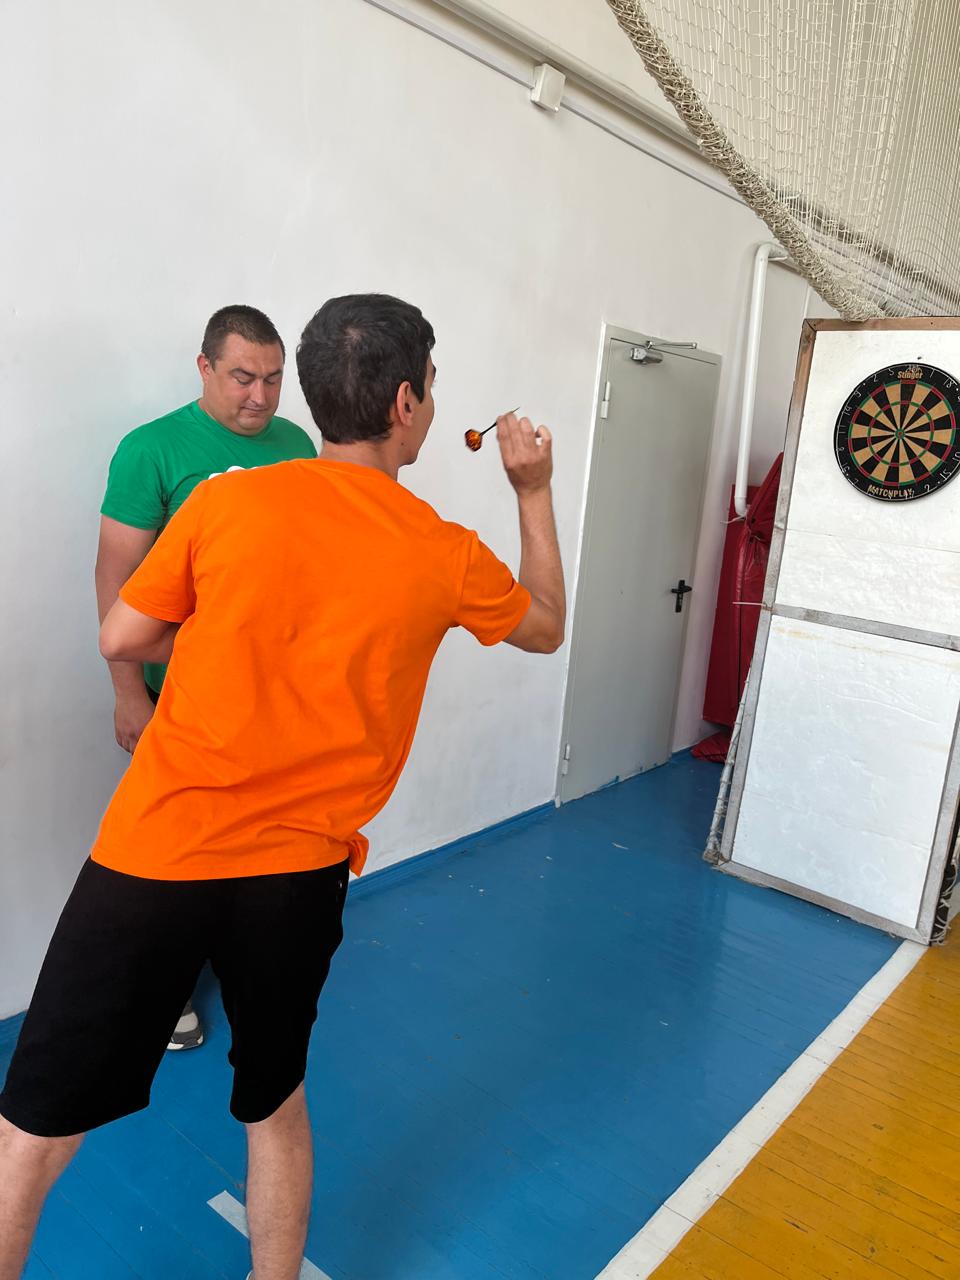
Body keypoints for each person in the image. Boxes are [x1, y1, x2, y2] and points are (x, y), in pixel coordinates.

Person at [0, 293, 565, 1280]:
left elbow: (121, 634)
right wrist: (533, 488)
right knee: (273, 1103)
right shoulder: (443, 553)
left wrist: (228, 627)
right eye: (431, 389)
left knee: (32, 1133)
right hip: (297, 876)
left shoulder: (225, 503)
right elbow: (546, 624)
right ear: (404, 402)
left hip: (157, 848)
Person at [95, 304, 316, 1050]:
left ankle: (245, 972)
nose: (261, 396)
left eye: (274, 379)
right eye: (243, 377)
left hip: (271, 699)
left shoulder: (297, 446)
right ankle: (164, 997)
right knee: (169, 862)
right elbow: (116, 580)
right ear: (205, 368)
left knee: (257, 851)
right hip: (179, 698)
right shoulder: (152, 449)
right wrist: (128, 693)